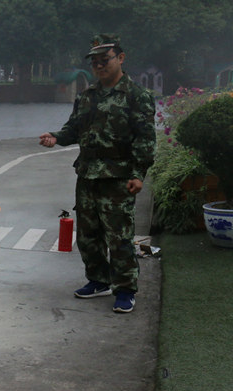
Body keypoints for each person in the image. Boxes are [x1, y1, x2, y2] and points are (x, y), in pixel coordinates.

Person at [39, 34, 155, 313]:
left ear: (120, 58)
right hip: (88, 176)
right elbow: (73, 129)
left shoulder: (137, 96)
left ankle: (125, 289)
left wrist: (138, 174)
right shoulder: (87, 96)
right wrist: (56, 137)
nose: (100, 66)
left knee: (119, 237)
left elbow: (145, 139)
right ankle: (98, 280)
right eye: (95, 63)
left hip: (119, 178)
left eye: (105, 60)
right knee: (88, 236)